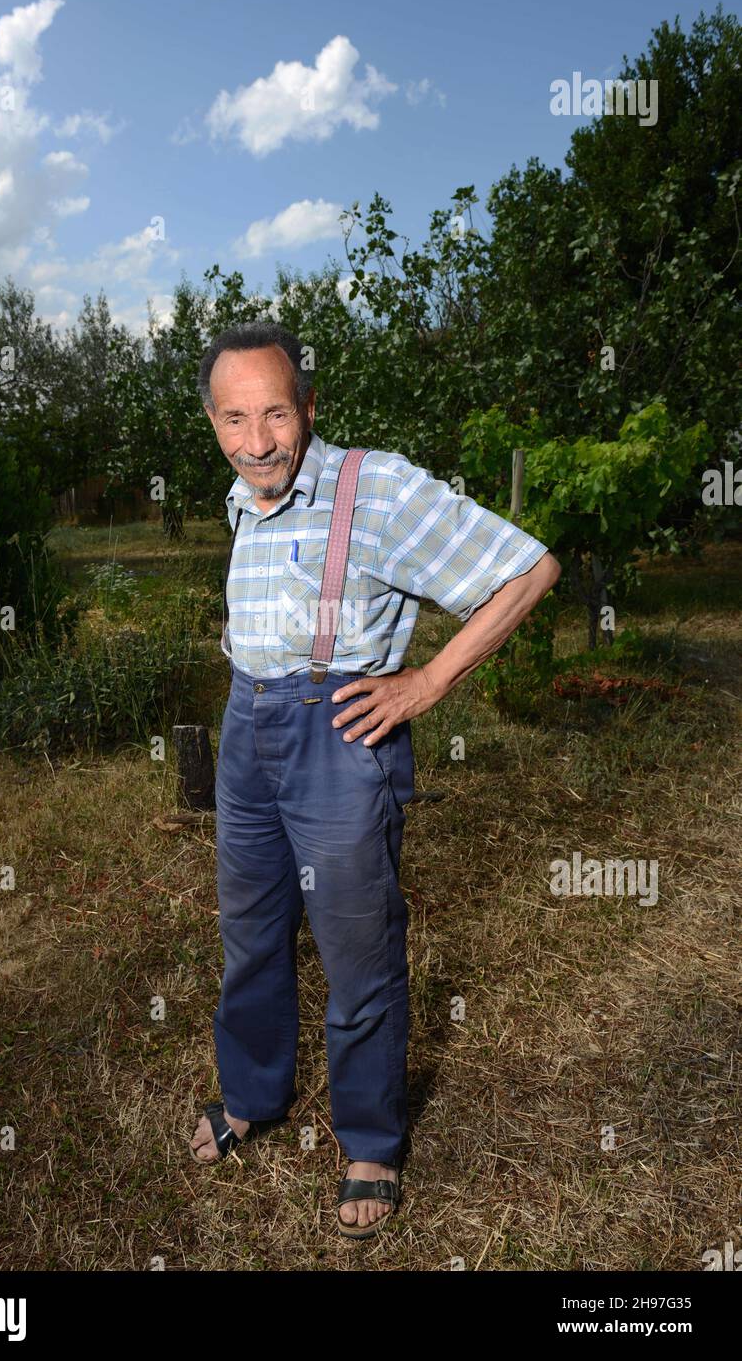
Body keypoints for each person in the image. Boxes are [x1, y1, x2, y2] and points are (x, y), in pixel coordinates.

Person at [189, 321, 561, 1239]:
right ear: (212, 424)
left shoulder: (377, 486)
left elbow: (528, 568)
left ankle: (368, 1142)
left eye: (275, 413)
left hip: (338, 736)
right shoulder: (244, 491)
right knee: (250, 933)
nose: (258, 441)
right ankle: (251, 1096)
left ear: (308, 408)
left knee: (356, 953)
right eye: (235, 420)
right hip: (246, 729)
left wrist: (427, 681)